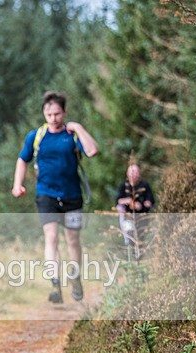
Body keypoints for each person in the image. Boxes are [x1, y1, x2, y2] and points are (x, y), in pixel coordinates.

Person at [12, 92, 98, 303]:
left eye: (57, 113)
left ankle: (75, 278)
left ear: (64, 113)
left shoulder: (72, 135)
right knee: (51, 238)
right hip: (46, 194)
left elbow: (92, 150)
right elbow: (22, 160)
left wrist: (78, 127)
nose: (53, 118)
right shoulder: (37, 136)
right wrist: (17, 184)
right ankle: (55, 285)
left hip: (72, 196)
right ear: (44, 113)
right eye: (49, 114)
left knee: (73, 240)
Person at [116, 163, 155, 255]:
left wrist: (146, 204)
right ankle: (130, 254)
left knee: (141, 238)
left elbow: (151, 200)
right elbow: (118, 200)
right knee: (130, 235)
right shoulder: (124, 186)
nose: (135, 175)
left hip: (142, 216)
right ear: (128, 174)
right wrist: (129, 201)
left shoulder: (145, 185)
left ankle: (139, 257)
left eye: (137, 172)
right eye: (132, 172)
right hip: (128, 217)